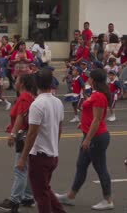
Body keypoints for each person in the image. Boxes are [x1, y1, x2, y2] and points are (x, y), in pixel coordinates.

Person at [56, 69, 114, 211]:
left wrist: (87, 139)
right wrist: (83, 124)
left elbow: (97, 120)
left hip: (96, 138)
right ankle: (70, 196)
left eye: (89, 77)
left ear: (94, 80)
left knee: (101, 168)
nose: (87, 79)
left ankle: (108, 200)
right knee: (81, 165)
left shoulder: (99, 96)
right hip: (90, 135)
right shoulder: (96, 94)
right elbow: (91, 117)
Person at [17, 68, 66, 213]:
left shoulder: (37, 104)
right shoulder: (58, 102)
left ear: (36, 84)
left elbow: (32, 134)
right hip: (52, 155)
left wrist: (23, 158)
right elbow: (59, 129)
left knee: (41, 195)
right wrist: (54, 148)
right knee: (45, 188)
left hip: (39, 156)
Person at [0, 74, 37, 213]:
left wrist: (12, 134)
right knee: (27, 167)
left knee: (20, 168)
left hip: (23, 136)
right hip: (26, 135)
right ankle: (28, 197)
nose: (15, 82)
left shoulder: (24, 97)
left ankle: (14, 200)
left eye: (17, 80)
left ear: (23, 83)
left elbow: (21, 117)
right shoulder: (27, 97)